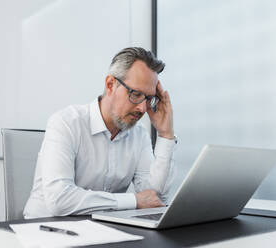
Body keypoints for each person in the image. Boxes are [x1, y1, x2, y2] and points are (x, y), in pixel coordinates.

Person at [23, 47, 177, 218]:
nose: (142, 108)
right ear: (110, 85)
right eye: (136, 94)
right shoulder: (66, 123)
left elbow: (154, 199)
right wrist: (133, 201)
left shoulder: (139, 136)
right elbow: (60, 201)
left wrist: (166, 135)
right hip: (44, 230)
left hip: (101, 230)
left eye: (149, 98)